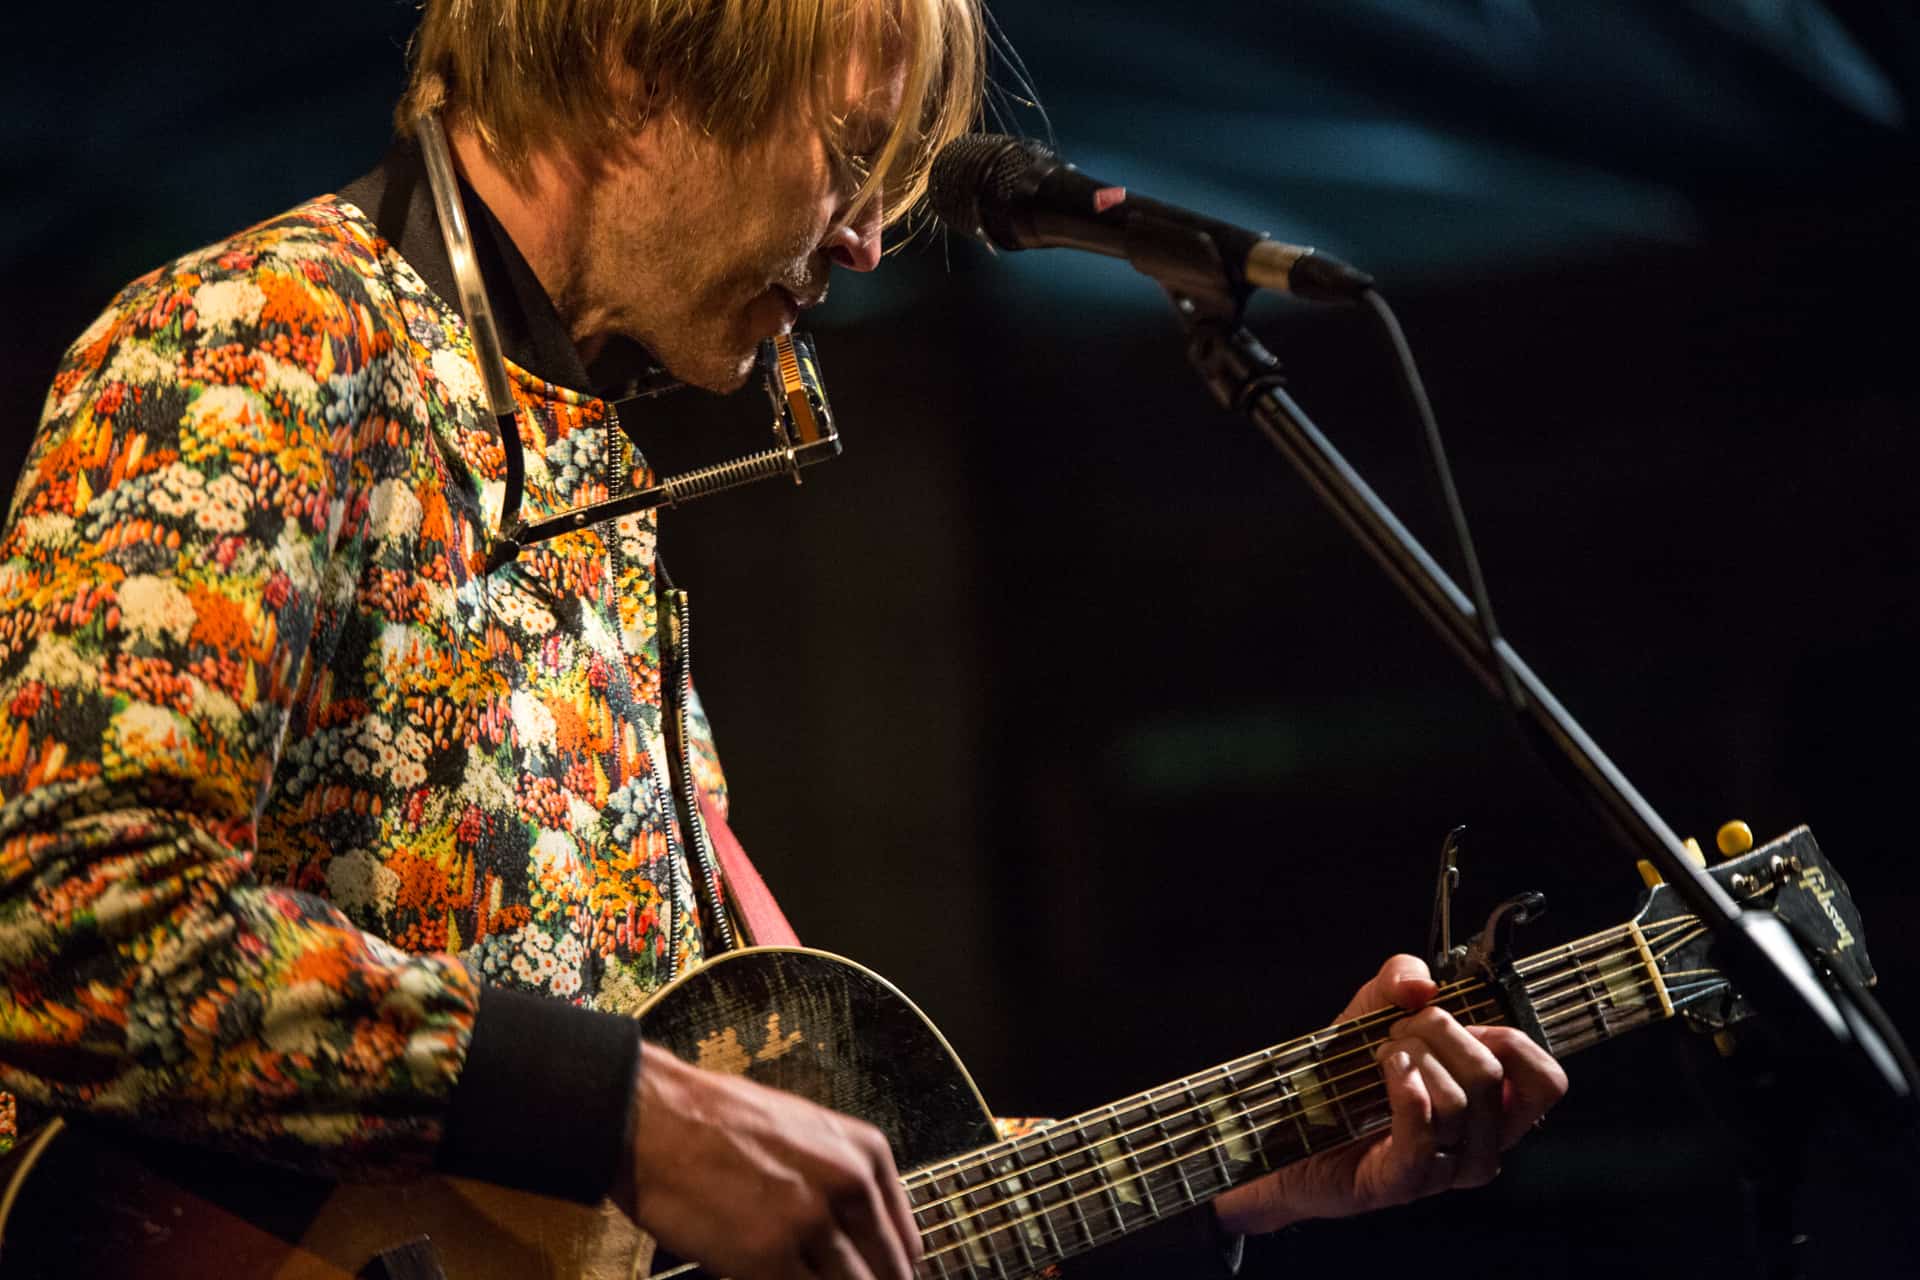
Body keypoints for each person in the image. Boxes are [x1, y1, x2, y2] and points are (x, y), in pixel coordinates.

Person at [0, 0, 1566, 1276]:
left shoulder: (591, 480)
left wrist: (1254, 1172)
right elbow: (54, 911)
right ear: (641, 63)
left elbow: (793, 1172)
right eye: (851, 154)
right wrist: (625, 1109)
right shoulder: (263, 335)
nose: (873, 238)